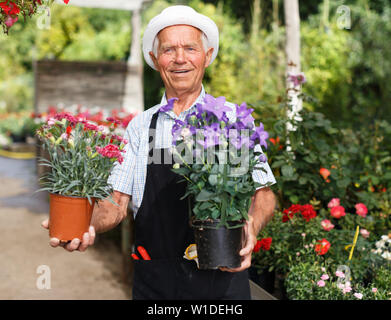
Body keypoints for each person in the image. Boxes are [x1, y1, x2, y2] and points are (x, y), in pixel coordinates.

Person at [42, 5, 276, 300]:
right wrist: (83, 223)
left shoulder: (231, 118)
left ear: (207, 55)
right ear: (155, 59)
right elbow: (116, 204)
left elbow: (263, 193)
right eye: (169, 50)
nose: (180, 58)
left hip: (223, 285)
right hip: (157, 285)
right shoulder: (141, 127)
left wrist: (251, 226)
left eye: (190, 48)